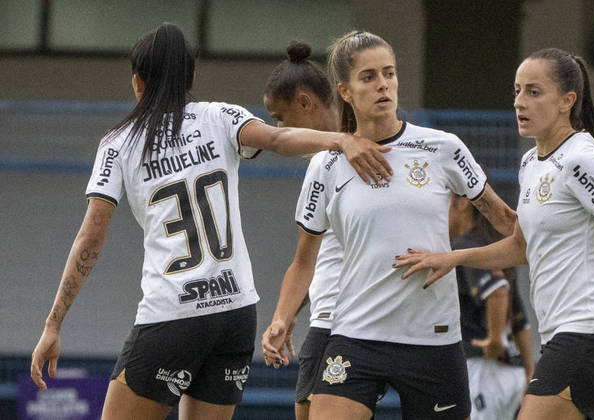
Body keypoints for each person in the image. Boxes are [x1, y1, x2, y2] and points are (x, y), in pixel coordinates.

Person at [28, 22, 392, 420]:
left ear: (137, 82)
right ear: (192, 76)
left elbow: (91, 238)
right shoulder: (220, 116)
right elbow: (278, 139)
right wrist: (341, 138)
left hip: (173, 315)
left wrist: (53, 323)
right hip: (235, 313)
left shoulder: (119, 144)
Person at [395, 47, 594, 420]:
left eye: (533, 91)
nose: (519, 102)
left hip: (590, 334)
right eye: (516, 91)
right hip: (585, 339)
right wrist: (453, 257)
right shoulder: (531, 162)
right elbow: (522, 247)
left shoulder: (581, 158)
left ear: (567, 101)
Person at [261, 30, 517, 420]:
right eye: (369, 77)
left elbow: (507, 222)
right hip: (356, 335)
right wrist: (281, 318)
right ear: (345, 91)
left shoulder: (443, 147)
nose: (383, 84)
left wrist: (457, 257)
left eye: (389, 73)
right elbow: (303, 261)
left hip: (433, 339)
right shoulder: (326, 165)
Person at [263, 40, 391, 420]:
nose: (281, 131)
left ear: (305, 103)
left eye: (281, 118)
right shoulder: (329, 162)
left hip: (340, 325)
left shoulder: (347, 156)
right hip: (336, 318)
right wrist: (285, 316)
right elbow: (320, 259)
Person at [448, 192, 534, 420]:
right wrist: (528, 367)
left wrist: (495, 339)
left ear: (462, 203)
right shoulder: (494, 247)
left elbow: (498, 291)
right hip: (511, 369)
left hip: (486, 366)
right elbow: (519, 317)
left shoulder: (468, 247)